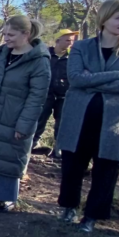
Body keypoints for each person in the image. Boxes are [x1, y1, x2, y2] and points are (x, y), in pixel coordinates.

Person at [57, 0, 119, 233]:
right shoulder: (81, 46)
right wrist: (116, 75)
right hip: (80, 117)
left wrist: (93, 79)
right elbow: (75, 79)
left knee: (106, 170)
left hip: (116, 122)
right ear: (105, 18)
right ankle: (69, 208)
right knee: (72, 165)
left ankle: (91, 217)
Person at [0, 15, 50, 212]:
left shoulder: (39, 62)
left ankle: (6, 199)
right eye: (4, 34)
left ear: (26, 34)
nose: (6, 38)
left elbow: (36, 98)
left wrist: (24, 125)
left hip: (14, 119)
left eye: (11, 34)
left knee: (8, 157)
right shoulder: (2, 55)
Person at [32, 29, 78, 157]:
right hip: (45, 94)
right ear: (58, 40)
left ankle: (59, 149)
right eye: (67, 40)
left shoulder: (74, 57)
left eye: (72, 41)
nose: (70, 43)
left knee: (62, 123)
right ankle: (33, 143)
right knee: (39, 120)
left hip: (64, 96)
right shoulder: (44, 54)